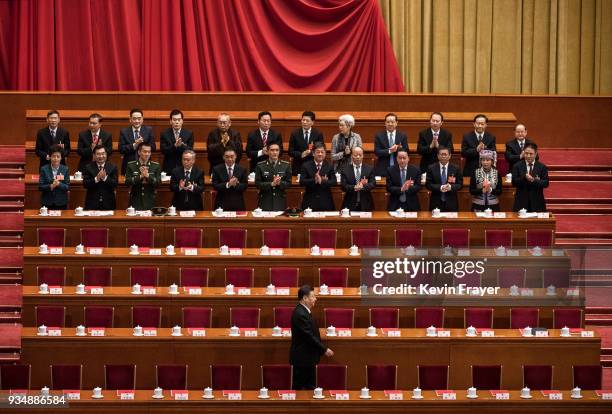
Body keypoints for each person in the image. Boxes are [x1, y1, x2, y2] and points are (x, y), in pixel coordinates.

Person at [290, 285, 334, 390]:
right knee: (301, 390)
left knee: (310, 388)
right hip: (303, 359)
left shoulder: (304, 311)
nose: (315, 299)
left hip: (307, 358)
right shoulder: (300, 313)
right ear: (305, 298)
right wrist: (324, 349)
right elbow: (308, 336)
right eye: (313, 296)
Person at [512, 143, 549, 212]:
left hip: (537, 202)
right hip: (521, 202)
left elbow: (546, 183)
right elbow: (514, 182)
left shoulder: (542, 167)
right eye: (526, 153)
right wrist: (524, 178)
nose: (528, 156)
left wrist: (533, 180)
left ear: (535, 154)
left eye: (531, 154)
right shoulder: (517, 166)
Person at [300, 142, 337, 211]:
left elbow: (334, 182)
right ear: (313, 153)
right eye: (318, 152)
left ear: (325, 153)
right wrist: (314, 180)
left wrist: (322, 181)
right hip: (310, 201)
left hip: (326, 202)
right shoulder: (306, 165)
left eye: (322, 152)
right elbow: (302, 181)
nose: (320, 154)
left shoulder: (329, 165)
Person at [255, 142, 292, 211]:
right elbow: (257, 184)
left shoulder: (286, 165)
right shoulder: (260, 165)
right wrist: (271, 184)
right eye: (272, 150)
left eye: (277, 150)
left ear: (279, 152)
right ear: (267, 151)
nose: (274, 152)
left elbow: (289, 183)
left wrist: (279, 183)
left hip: (280, 201)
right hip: (265, 201)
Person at [125, 142, 161, 210]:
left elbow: (158, 183)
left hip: (150, 202)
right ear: (139, 152)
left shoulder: (156, 166)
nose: (147, 154)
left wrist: (148, 176)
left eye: (149, 152)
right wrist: (140, 176)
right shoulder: (131, 165)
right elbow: (127, 182)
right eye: (144, 152)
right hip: (135, 202)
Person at [119, 108, 156, 175]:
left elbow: (153, 147)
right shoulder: (124, 132)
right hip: (129, 165)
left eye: (139, 118)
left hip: (146, 165)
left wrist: (142, 146)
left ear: (142, 119)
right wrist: (134, 145)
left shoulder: (149, 130)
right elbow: (121, 149)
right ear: (130, 119)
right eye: (134, 118)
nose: (137, 121)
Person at [426, 146, 463, 212]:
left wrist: (451, 187)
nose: (443, 156)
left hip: (451, 203)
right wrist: (440, 187)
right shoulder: (431, 168)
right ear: (438, 156)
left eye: (445, 154)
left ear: (449, 156)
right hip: (436, 202)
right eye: (441, 154)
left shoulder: (456, 168)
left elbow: (460, 185)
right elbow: (428, 185)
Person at [288, 111, 324, 176]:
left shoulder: (318, 134)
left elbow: (321, 150)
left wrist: (311, 153)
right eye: (303, 120)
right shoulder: (294, 134)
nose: (304, 122)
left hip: (313, 166)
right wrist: (301, 154)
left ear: (312, 122)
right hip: (298, 165)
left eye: (307, 120)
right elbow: (290, 151)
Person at [83, 145, 118, 210]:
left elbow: (115, 184)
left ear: (106, 154)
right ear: (94, 155)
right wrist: (96, 179)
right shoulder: (88, 167)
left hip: (108, 203)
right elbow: (85, 184)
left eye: (103, 154)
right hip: (92, 203)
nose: (101, 156)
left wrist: (105, 178)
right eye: (98, 154)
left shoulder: (113, 167)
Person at [341, 146, 375, 211]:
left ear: (363, 156)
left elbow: (373, 184)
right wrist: (354, 187)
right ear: (351, 156)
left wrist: (363, 186)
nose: (358, 157)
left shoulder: (369, 169)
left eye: (360, 155)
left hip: (366, 204)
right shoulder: (345, 170)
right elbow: (343, 186)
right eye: (356, 155)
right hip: (349, 204)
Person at [160, 109, 194, 174]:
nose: (177, 122)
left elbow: (191, 151)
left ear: (182, 121)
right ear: (170, 121)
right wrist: (174, 146)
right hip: (169, 167)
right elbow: (163, 150)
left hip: (184, 166)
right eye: (174, 120)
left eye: (179, 120)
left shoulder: (189, 133)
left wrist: (181, 145)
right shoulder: (164, 134)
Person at [39, 145, 70, 210]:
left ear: (61, 158)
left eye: (58, 156)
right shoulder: (44, 169)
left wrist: (59, 184)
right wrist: (51, 186)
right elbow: (40, 187)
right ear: (50, 157)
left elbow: (67, 187)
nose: (56, 158)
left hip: (61, 202)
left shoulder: (65, 169)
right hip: (47, 202)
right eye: (53, 156)